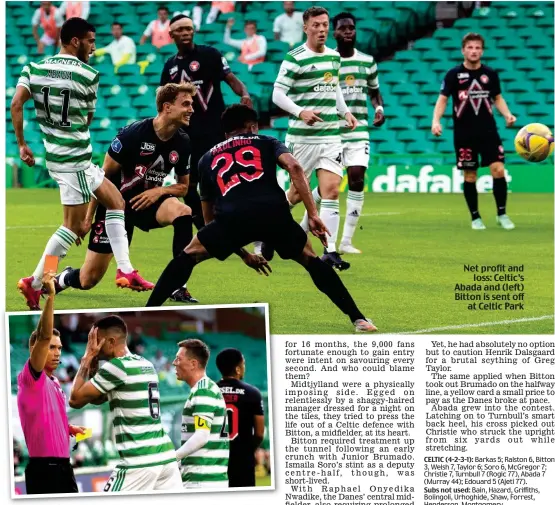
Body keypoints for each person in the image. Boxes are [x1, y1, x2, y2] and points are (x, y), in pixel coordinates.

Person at [146, 105, 377, 333]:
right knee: (311, 260)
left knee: (188, 256)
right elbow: (295, 167)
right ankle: (359, 319)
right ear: (253, 126)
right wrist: (313, 215)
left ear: (225, 133)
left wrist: (244, 255)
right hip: (273, 213)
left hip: (232, 218)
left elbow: (209, 220)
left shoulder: (207, 158)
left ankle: (149, 310)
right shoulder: (266, 141)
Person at [12, 17, 146, 310]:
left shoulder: (33, 68)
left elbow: (16, 104)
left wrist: (23, 143)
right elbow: (87, 119)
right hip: (74, 161)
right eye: (90, 42)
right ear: (75, 41)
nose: (93, 48)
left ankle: (125, 269)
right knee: (71, 229)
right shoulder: (88, 74)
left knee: (115, 202)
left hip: (61, 157)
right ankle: (35, 282)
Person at [52, 82, 199, 302]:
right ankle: (55, 279)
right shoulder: (133, 134)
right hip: (114, 207)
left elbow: (183, 186)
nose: (191, 109)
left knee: (183, 212)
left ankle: (178, 285)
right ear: (167, 107)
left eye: (191, 104)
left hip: (148, 203)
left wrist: (158, 191)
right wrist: (88, 217)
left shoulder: (183, 142)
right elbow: (103, 178)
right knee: (88, 279)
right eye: (186, 104)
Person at [272, 6, 357, 270]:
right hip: (302, 138)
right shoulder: (295, 57)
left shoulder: (334, 57)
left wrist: (345, 113)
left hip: (330, 135)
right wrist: (301, 112)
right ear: (306, 27)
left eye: (325, 25)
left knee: (331, 190)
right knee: (296, 195)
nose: (322, 29)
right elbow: (277, 94)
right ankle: (267, 232)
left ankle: (330, 251)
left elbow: (334, 90)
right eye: (316, 25)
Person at [161, 14, 252, 231]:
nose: (185, 33)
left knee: (222, 179)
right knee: (188, 185)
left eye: (189, 29)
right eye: (180, 30)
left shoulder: (210, 55)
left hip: (215, 131)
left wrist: (245, 94)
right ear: (171, 34)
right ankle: (204, 227)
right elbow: (163, 101)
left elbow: (231, 79)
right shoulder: (170, 67)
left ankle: (232, 223)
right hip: (185, 135)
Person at [68, 316, 181, 491]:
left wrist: (87, 357)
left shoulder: (117, 367)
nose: (93, 346)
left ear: (111, 341)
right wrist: (94, 365)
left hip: (139, 460)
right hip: (166, 457)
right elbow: (97, 398)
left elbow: (75, 400)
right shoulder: (146, 364)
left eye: (96, 341)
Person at [432, 32, 516, 230]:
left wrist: (507, 114)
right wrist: (436, 121)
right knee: (470, 176)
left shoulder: (490, 74)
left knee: (498, 170)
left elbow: (497, 98)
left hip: (489, 132)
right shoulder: (453, 75)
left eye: (477, 47)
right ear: (463, 50)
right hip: (464, 134)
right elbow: (443, 99)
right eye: (470, 47)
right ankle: (475, 217)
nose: (474, 51)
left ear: (482, 51)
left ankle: (502, 214)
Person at [321, 12, 385, 254]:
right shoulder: (328, 60)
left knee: (357, 177)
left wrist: (379, 108)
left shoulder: (367, 61)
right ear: (334, 33)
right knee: (330, 186)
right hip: (332, 131)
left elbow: (374, 91)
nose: (348, 31)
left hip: (358, 129)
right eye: (343, 28)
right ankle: (307, 225)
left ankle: (346, 240)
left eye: (352, 28)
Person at [16, 272, 86, 494]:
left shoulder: (54, 381)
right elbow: (44, 336)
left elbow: (50, 418)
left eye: (59, 348)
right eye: (51, 347)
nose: (57, 353)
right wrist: (51, 297)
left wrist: (68, 428)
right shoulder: (30, 378)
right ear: (34, 349)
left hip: (64, 467)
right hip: (45, 470)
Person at [173, 339, 229, 488]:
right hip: (208, 479)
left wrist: (172, 458)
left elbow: (201, 436)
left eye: (178, 359)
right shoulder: (205, 388)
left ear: (193, 364)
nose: (174, 363)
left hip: (203, 481)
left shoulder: (203, 390)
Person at [216, 348, 265, 487]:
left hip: (217, 458)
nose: (244, 367)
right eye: (243, 364)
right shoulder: (252, 392)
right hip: (243, 459)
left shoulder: (210, 391)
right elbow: (260, 433)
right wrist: (249, 451)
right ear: (237, 369)